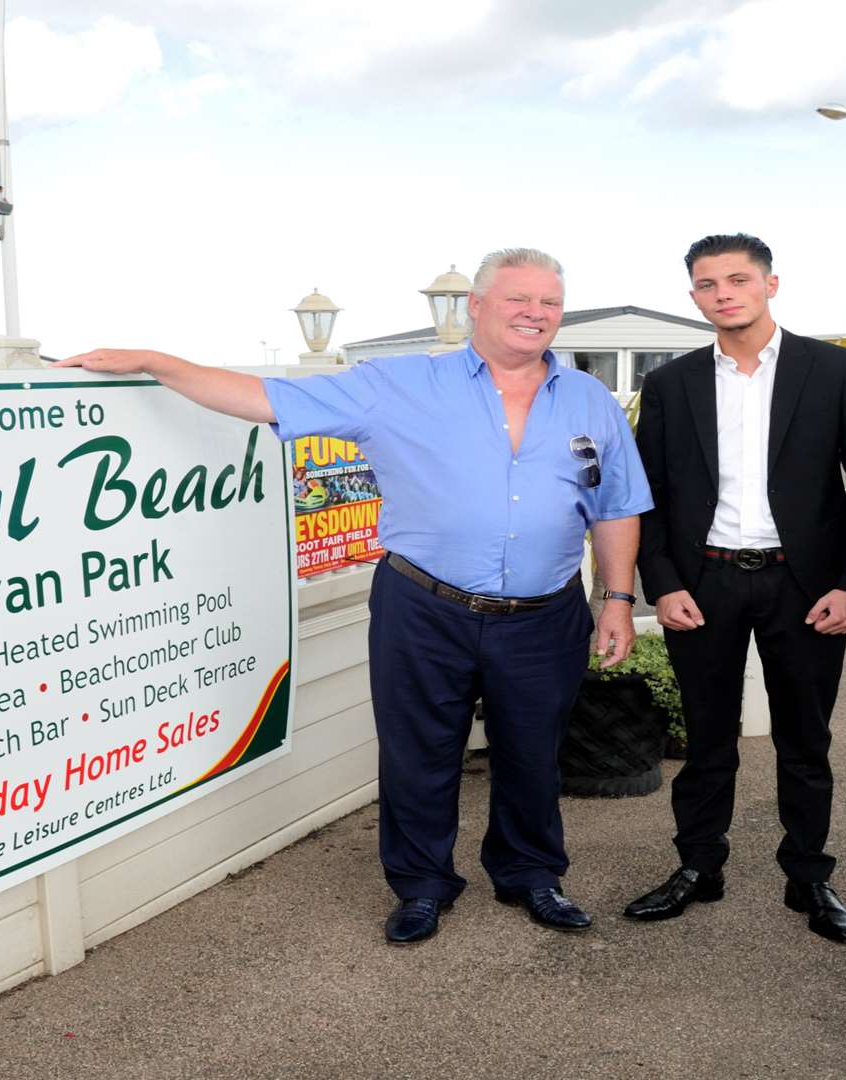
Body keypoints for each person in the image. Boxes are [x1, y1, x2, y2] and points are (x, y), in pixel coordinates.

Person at [56, 248, 650, 945]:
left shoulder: (586, 397)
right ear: (478, 308)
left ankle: (530, 875)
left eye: (549, 302)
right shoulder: (396, 385)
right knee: (418, 753)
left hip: (544, 610)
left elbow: (614, 504)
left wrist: (615, 599)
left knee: (533, 752)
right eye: (519, 298)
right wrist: (157, 361)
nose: (536, 313)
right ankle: (422, 886)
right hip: (425, 607)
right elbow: (262, 397)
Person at [625, 233, 846, 943]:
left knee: (806, 740)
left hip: (804, 586)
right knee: (708, 741)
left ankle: (808, 875)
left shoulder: (834, 371)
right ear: (694, 297)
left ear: (771, 284)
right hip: (703, 582)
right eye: (708, 284)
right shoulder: (671, 383)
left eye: (738, 279)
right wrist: (663, 583)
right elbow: (646, 493)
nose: (724, 293)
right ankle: (698, 868)